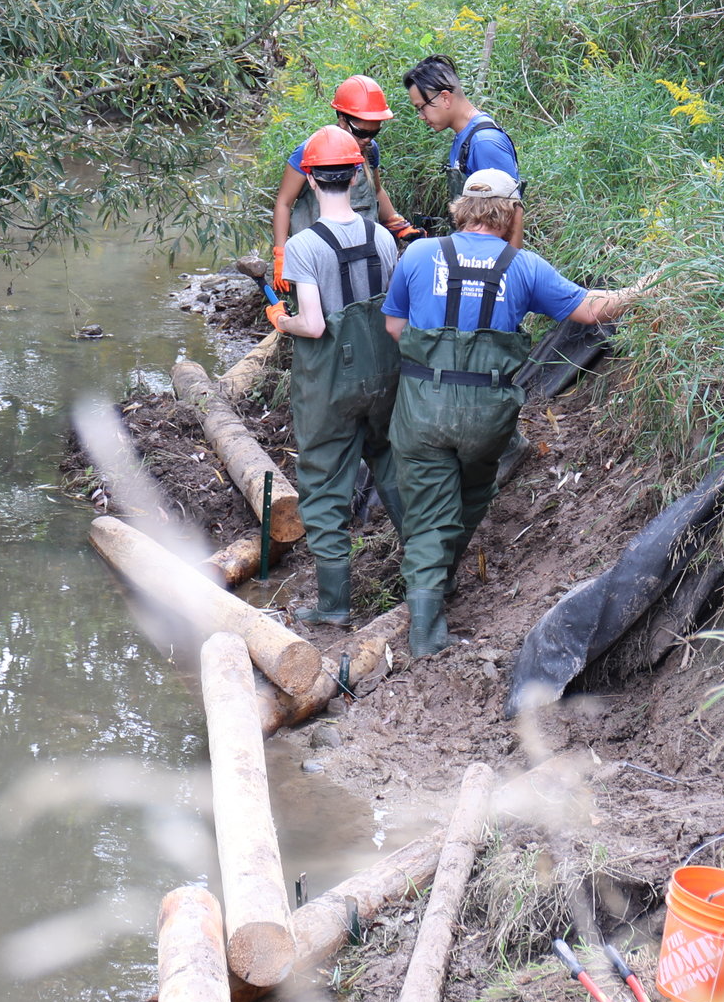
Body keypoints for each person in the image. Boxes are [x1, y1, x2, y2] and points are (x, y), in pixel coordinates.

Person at [381, 169, 639, 656]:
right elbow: (592, 309)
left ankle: (426, 623)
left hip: (422, 407)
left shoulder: (417, 254)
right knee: (473, 492)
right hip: (487, 412)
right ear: (511, 212)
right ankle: (439, 579)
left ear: (462, 209)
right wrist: (644, 289)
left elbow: (395, 327)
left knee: (427, 512)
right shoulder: (523, 267)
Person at [264, 125, 404, 626]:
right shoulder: (383, 236)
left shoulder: (304, 245)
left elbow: (314, 323)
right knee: (390, 464)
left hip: (329, 382)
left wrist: (281, 320)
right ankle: (428, 576)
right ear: (353, 175)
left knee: (324, 483)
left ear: (314, 181)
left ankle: (334, 605)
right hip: (385, 375)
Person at [270, 76, 421, 292]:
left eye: (374, 133)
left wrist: (397, 224)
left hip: (363, 253)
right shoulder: (309, 151)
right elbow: (284, 203)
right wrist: (281, 254)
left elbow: (375, 191)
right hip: (318, 255)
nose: (367, 139)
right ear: (342, 119)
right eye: (361, 132)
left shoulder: (370, 151)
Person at [402, 55, 520, 197]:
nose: (421, 116)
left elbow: (508, 210)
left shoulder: (484, 143)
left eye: (422, 107)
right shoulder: (465, 136)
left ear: (445, 98)